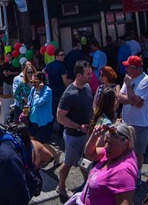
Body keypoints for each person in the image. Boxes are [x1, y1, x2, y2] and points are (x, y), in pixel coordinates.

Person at [71, 122, 138, 205]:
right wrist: (94, 136)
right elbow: (90, 154)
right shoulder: (115, 153)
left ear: (125, 143)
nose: (106, 146)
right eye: (106, 141)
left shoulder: (123, 172)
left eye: (110, 143)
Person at [56, 60, 93, 198]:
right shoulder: (69, 94)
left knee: (86, 161)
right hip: (73, 136)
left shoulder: (87, 87)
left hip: (86, 134)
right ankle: (61, 187)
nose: (91, 75)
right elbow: (60, 118)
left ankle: (88, 184)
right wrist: (78, 126)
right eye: (88, 73)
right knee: (68, 163)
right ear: (79, 75)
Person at [118, 55, 148, 175]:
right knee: (125, 150)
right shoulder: (129, 78)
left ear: (134, 68)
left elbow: (134, 100)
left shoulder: (145, 80)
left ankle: (137, 174)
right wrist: (133, 100)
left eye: (128, 67)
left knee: (138, 152)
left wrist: (128, 86)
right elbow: (120, 97)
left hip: (141, 123)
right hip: (127, 122)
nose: (126, 70)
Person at [28, 71, 60, 165]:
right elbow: (30, 100)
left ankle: (55, 155)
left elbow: (37, 103)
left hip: (43, 122)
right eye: (32, 82)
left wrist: (38, 91)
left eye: (35, 82)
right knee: (32, 140)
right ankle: (40, 157)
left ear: (41, 81)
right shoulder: (33, 90)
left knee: (42, 142)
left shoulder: (47, 91)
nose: (33, 84)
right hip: (32, 119)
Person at [45, 49, 70, 120]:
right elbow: (65, 80)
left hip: (52, 91)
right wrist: (69, 88)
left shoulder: (49, 65)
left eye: (64, 55)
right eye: (61, 55)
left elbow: (43, 72)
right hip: (61, 92)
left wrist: (47, 82)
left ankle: (52, 128)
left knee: (53, 112)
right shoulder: (61, 66)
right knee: (62, 113)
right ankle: (60, 130)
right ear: (56, 56)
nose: (63, 57)